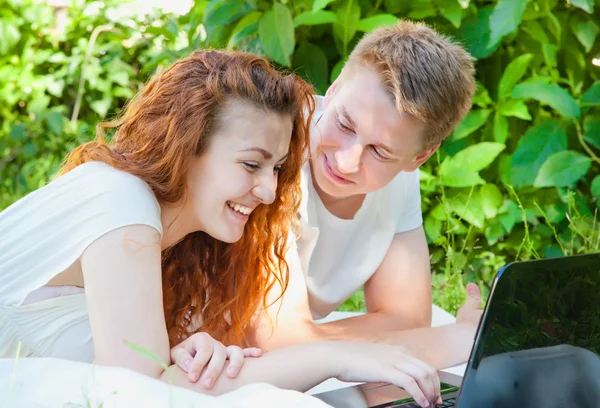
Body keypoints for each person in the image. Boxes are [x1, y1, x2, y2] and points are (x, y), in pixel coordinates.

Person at [0, 50, 441, 407]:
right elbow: (139, 393)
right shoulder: (120, 200)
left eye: (277, 168)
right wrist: (338, 356)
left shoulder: (191, 244)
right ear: (188, 144)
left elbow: (164, 371)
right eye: (252, 164)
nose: (269, 191)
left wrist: (189, 351)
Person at [248, 20, 483, 370]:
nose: (346, 161)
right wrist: (455, 339)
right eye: (344, 124)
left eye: (380, 152)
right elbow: (281, 344)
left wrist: (310, 339)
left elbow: (408, 319)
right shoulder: (273, 154)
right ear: (335, 88)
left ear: (418, 158)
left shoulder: (400, 179)